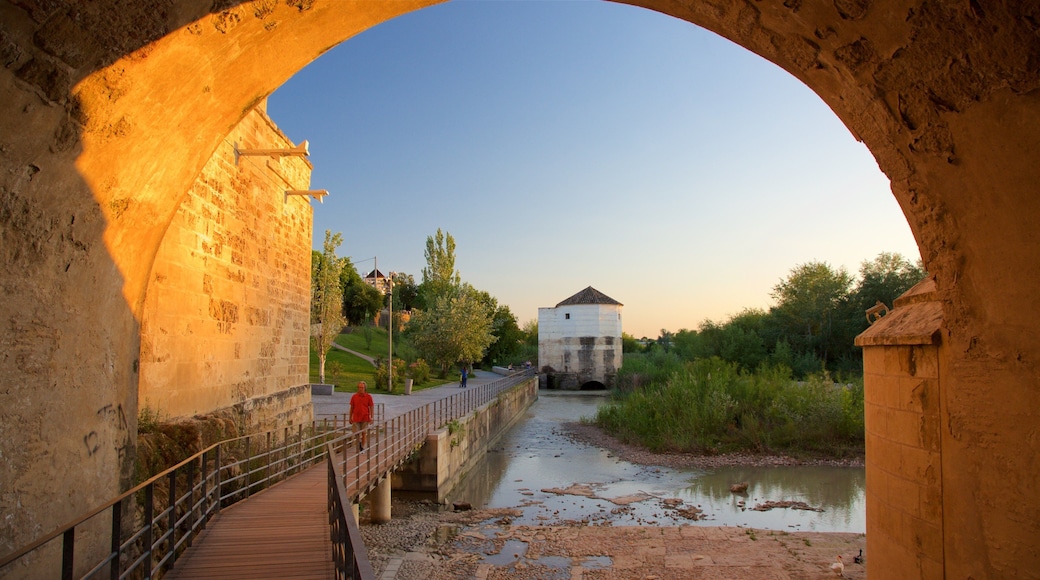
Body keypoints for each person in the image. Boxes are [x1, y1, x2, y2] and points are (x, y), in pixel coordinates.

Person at [349, 381, 374, 451]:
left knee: (364, 433)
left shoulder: (368, 397)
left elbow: (371, 407)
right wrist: (350, 417)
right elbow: (352, 407)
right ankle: (359, 444)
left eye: (362, 387)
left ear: (365, 388)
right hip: (356, 417)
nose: (361, 389)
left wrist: (371, 417)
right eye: (359, 387)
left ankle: (362, 447)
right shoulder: (354, 397)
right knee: (356, 433)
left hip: (365, 417)